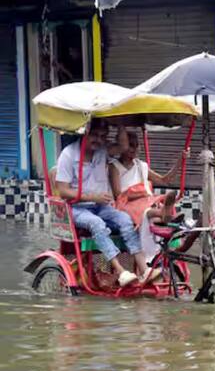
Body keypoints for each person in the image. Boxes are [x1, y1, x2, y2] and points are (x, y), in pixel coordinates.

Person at [54, 120, 161, 287]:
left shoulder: (102, 151)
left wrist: (120, 122)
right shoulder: (68, 155)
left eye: (103, 136)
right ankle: (121, 272)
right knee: (96, 223)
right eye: (95, 135)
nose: (98, 140)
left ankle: (144, 268)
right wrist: (92, 196)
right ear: (85, 133)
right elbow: (63, 191)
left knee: (125, 219)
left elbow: (124, 147)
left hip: (100, 207)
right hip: (76, 208)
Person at [108, 130, 188, 261]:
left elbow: (164, 180)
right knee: (147, 210)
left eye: (136, 145)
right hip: (125, 204)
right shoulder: (114, 167)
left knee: (149, 207)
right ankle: (165, 214)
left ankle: (163, 215)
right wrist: (135, 193)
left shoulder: (141, 165)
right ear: (122, 146)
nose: (133, 149)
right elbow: (118, 194)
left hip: (145, 201)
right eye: (130, 145)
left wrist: (180, 161)